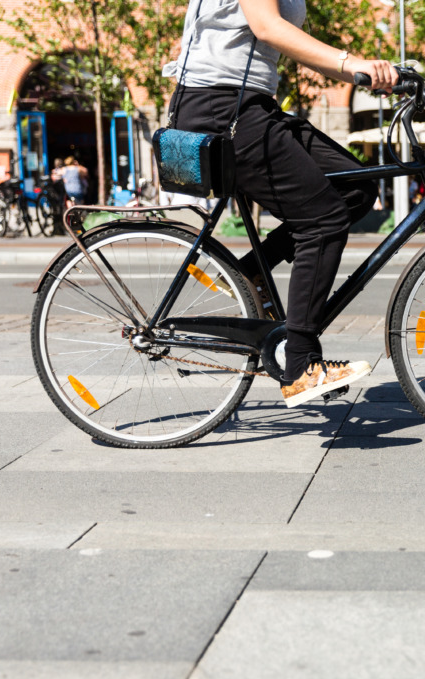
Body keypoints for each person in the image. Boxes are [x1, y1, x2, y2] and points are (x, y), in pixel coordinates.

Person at [162, 0, 398, 408]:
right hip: (220, 108)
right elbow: (269, 27)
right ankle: (302, 365)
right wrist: (351, 60)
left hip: (251, 104)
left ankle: (250, 273)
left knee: (357, 189)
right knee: (323, 220)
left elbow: (290, 44)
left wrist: (365, 74)